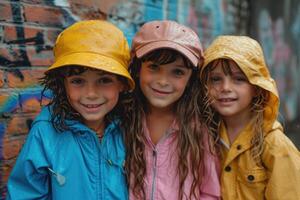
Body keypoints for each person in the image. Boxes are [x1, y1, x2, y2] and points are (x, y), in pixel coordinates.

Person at [6, 20, 135, 200]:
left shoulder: (132, 127)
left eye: (104, 80)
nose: (90, 94)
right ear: (63, 84)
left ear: (121, 83)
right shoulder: (45, 132)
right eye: (77, 81)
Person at [122, 20, 220, 200]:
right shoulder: (122, 121)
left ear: (190, 79)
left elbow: (210, 192)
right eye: (154, 67)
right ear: (137, 69)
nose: (163, 81)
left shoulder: (198, 129)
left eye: (177, 72)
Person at [200, 35, 300, 199]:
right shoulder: (205, 137)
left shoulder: (275, 145)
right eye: (216, 79)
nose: (225, 88)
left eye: (239, 79)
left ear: (257, 88)